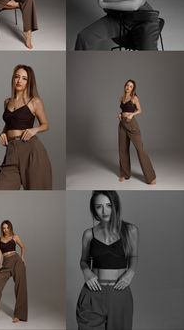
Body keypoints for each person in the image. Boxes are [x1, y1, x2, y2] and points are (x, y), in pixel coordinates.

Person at [76, 190, 138, 330]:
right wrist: (86, 271)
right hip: (93, 293)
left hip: (120, 294)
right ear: (94, 210)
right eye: (99, 206)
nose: (104, 211)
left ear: (115, 205)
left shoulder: (130, 230)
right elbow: (83, 260)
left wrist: (131, 271)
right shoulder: (88, 234)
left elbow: (133, 256)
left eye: (108, 205)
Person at [0, 64, 52, 190]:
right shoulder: (7, 102)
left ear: (29, 82)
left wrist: (34, 130)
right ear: (13, 78)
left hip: (31, 150)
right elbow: (9, 124)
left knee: (37, 196)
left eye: (24, 78)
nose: (19, 81)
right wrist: (2, 134)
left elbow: (45, 125)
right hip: (12, 151)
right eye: (17, 77)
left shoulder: (34, 101)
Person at [118, 79, 156, 184]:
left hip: (131, 124)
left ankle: (151, 177)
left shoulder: (134, 98)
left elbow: (140, 110)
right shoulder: (121, 98)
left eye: (130, 86)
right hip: (122, 124)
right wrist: (120, 115)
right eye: (127, 85)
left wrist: (132, 114)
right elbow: (123, 110)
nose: (128, 87)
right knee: (122, 149)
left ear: (133, 88)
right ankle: (125, 174)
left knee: (140, 149)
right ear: (125, 86)